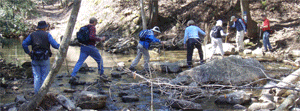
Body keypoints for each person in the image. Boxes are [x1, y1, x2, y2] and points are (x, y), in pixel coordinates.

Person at [22, 21, 60, 94]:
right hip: (44, 58)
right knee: (44, 77)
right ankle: (43, 94)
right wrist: (61, 46)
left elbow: (24, 44)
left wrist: (29, 52)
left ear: (38, 28)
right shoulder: (47, 35)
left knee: (36, 77)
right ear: (44, 28)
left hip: (34, 58)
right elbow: (55, 45)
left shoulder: (32, 35)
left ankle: (37, 94)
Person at [70, 17, 107, 84]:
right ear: (94, 22)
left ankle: (73, 75)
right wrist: (100, 39)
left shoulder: (85, 27)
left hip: (83, 46)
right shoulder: (92, 27)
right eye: (96, 22)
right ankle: (101, 74)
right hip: (91, 47)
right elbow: (91, 37)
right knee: (100, 60)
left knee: (80, 61)